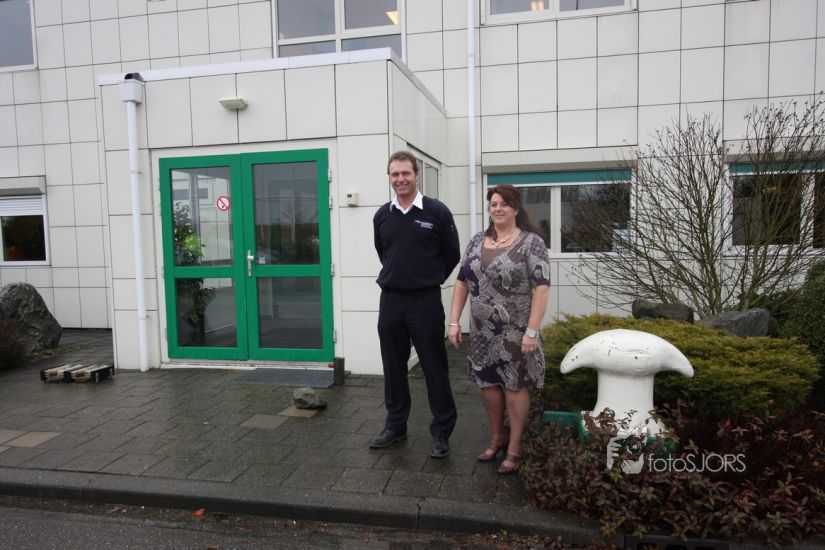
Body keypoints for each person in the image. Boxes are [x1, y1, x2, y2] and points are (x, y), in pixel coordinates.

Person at [447, 184, 550, 474]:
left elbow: (542, 288)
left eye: (504, 204)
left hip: (515, 330)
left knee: (514, 386)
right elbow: (462, 281)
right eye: (493, 204)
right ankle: (497, 438)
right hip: (482, 332)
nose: (498, 209)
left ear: (516, 208)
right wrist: (454, 322)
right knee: (488, 385)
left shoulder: (531, 243)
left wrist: (532, 331)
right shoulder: (476, 241)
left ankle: (515, 447)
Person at [371, 151, 461, 458]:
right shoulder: (382, 216)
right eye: (394, 174)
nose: (400, 179)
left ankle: (442, 432)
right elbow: (384, 252)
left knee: (434, 367)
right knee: (393, 367)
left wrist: (428, 277)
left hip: (425, 301)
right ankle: (395, 426)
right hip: (391, 301)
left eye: (405, 173)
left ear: (416, 175)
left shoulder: (437, 212)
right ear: (389, 177)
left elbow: (452, 254)